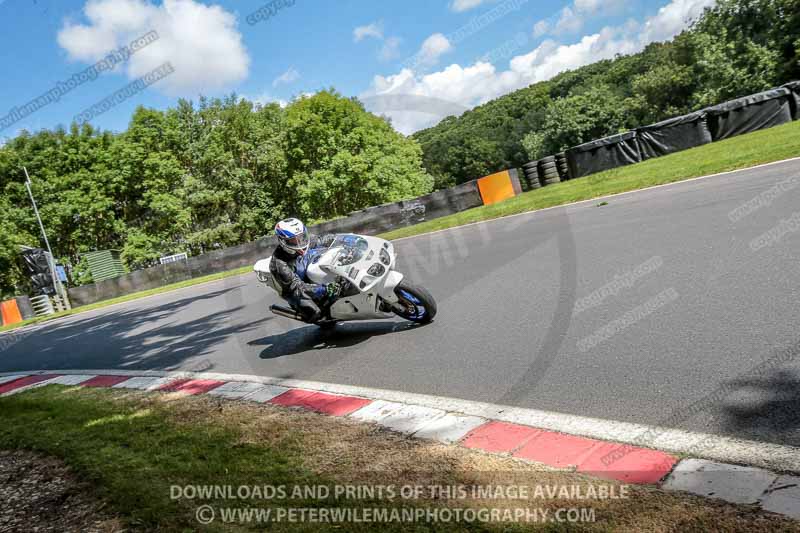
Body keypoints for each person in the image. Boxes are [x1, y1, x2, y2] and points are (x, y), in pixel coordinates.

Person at [270, 218, 341, 322]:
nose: (299, 242)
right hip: (295, 290)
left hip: (308, 273)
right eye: (293, 240)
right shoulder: (279, 264)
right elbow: (298, 288)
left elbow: (325, 239)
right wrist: (324, 289)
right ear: (282, 241)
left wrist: (345, 239)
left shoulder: (307, 240)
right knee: (316, 313)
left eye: (301, 237)